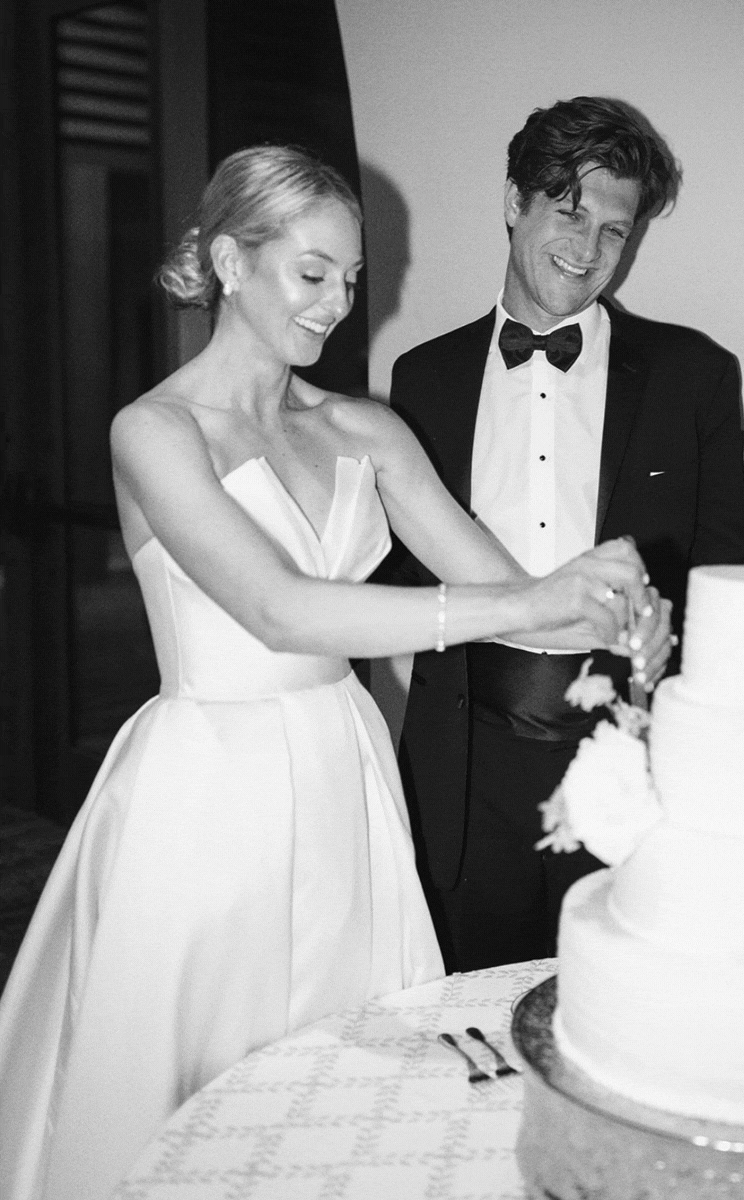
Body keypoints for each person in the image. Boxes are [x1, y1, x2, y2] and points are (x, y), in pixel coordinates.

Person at [0, 145, 655, 1200]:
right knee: (194, 1078)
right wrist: (531, 604)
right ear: (229, 261)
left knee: (347, 1087)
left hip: (344, 767)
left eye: (351, 278)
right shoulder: (154, 432)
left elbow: (517, 600)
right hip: (207, 784)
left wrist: (615, 614)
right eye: (312, 273)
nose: (338, 304)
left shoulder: (364, 428)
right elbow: (278, 611)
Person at [389, 97, 744, 972]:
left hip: (627, 763)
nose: (588, 249)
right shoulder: (423, 377)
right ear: (514, 201)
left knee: (620, 1000)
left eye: (614, 230)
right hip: (464, 765)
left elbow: (727, 581)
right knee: (464, 1011)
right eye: (568, 210)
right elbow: (401, 577)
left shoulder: (695, 376)